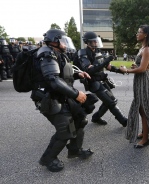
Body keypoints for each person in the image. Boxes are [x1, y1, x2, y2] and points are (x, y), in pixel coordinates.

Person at [30, 29, 95, 172]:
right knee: (64, 130)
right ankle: (48, 159)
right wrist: (76, 94)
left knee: (80, 119)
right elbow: (53, 80)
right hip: (49, 98)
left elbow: (62, 75)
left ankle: (74, 150)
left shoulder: (57, 53)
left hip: (61, 95)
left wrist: (78, 75)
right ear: (54, 41)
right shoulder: (46, 55)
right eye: (63, 41)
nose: (66, 44)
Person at [75, 31, 127, 127]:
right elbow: (89, 70)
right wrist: (105, 61)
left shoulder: (98, 52)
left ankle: (96, 117)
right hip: (93, 82)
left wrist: (121, 71)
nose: (96, 43)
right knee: (111, 102)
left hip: (102, 80)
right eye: (94, 41)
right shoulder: (83, 53)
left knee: (111, 101)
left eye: (96, 41)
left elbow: (108, 67)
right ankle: (124, 121)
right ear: (88, 42)